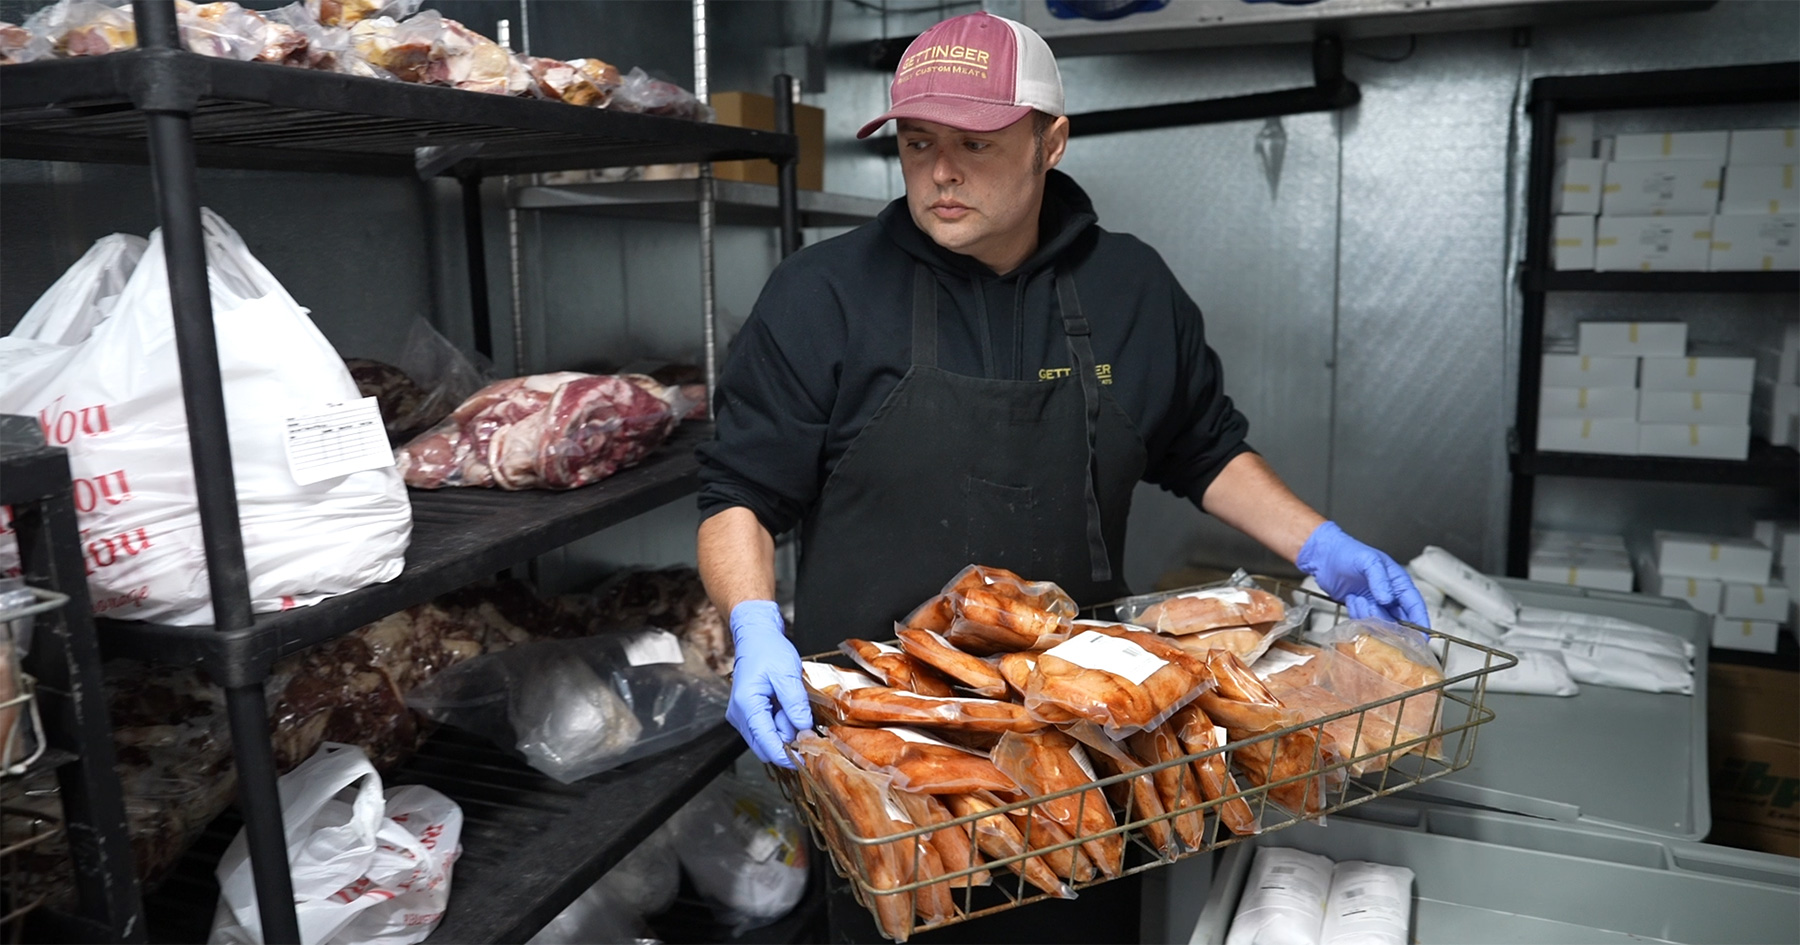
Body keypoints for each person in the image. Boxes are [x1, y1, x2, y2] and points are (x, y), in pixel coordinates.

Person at [697, 11, 1429, 767]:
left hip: (1085, 729)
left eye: (975, 144)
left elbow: (1202, 449)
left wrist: (1321, 545)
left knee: (1094, 883)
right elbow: (739, 494)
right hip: (878, 735)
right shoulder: (821, 294)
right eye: (918, 143)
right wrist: (754, 626)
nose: (941, 171)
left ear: (1050, 143)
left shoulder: (1131, 287)